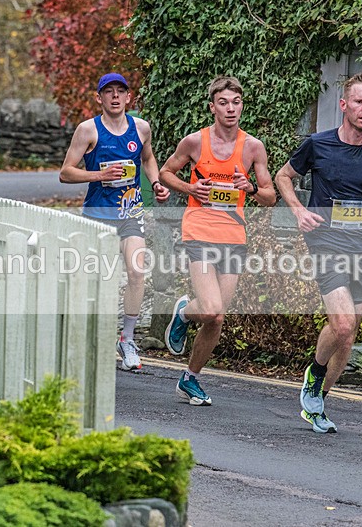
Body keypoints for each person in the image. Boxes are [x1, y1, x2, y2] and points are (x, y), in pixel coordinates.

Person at [274, 72, 362, 433]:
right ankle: (315, 375)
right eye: (359, 102)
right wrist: (299, 211)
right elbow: (283, 176)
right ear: (344, 105)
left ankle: (318, 401)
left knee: (347, 335)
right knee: (343, 323)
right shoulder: (318, 144)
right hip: (326, 241)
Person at [160, 76, 276, 406]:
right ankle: (185, 312)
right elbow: (166, 173)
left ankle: (190, 378)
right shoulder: (195, 142)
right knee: (210, 308)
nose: (230, 109)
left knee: (218, 317)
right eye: (223, 103)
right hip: (199, 230)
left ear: (242, 106)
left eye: (236, 103)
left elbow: (270, 197)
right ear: (212, 107)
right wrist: (190, 188)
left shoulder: (253, 147)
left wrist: (250, 188)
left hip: (234, 235)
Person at [60, 72, 170, 372]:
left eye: (121, 91)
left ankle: (128, 339)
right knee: (98, 280)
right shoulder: (88, 130)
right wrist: (99, 175)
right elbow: (66, 172)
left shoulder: (141, 128)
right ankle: (88, 336)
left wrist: (156, 183)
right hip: (98, 217)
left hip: (130, 214)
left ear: (129, 97)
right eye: (109, 92)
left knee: (137, 271)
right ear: (99, 98)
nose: (115, 96)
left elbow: (148, 159)